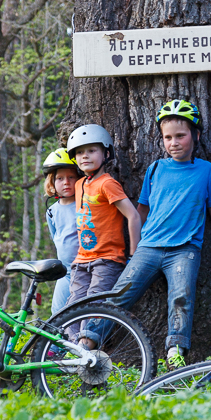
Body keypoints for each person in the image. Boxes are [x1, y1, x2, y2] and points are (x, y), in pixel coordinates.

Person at [108, 100, 211, 369]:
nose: (173, 142)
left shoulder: (206, 171)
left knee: (181, 297)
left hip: (184, 250)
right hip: (149, 248)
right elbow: (141, 212)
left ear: (195, 136)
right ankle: (88, 341)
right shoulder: (155, 170)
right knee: (120, 294)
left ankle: (175, 350)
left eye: (180, 136)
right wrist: (135, 250)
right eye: (167, 137)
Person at [64, 124, 141, 347]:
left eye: (91, 150)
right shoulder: (79, 184)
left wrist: (134, 252)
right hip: (81, 260)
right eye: (79, 152)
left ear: (106, 153)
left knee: (95, 307)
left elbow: (133, 216)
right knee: (73, 307)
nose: (84, 156)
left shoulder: (107, 183)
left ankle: (86, 352)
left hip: (106, 260)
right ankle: (73, 350)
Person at [42, 148, 81, 314]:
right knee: (57, 314)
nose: (66, 182)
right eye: (60, 178)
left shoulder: (84, 205)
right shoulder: (52, 211)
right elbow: (56, 237)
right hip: (65, 273)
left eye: (71, 177)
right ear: (52, 183)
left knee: (82, 312)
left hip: (86, 270)